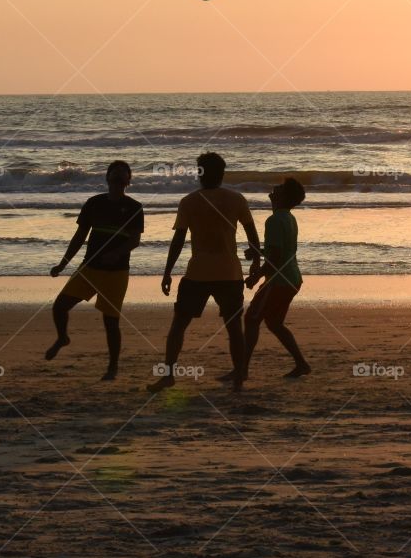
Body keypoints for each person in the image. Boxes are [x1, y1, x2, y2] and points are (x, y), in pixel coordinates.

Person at [148, 152, 260, 393]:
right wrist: (256, 263)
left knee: (179, 324)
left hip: (198, 273)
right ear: (222, 174)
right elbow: (252, 234)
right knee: (233, 327)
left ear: (200, 173)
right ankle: (239, 376)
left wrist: (167, 272)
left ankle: (168, 375)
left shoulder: (189, 201)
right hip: (229, 273)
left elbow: (178, 240)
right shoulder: (236, 199)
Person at [46, 160, 144, 381]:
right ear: (107, 178)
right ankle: (62, 338)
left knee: (111, 322)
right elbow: (79, 237)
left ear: (129, 181)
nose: (118, 177)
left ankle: (112, 367)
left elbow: (134, 241)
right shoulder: (94, 203)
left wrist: (116, 253)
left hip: (117, 272)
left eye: (123, 175)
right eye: (114, 173)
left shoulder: (134, 207)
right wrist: (63, 264)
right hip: (89, 267)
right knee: (59, 307)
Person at [244, 177, 310, 379]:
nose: (275, 188)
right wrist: (259, 250)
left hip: (279, 281)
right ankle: (301, 364)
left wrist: (257, 275)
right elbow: (281, 250)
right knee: (274, 324)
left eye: (280, 188)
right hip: (292, 278)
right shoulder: (288, 218)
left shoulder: (273, 220)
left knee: (251, 319)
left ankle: (242, 369)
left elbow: (277, 258)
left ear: (283, 196)